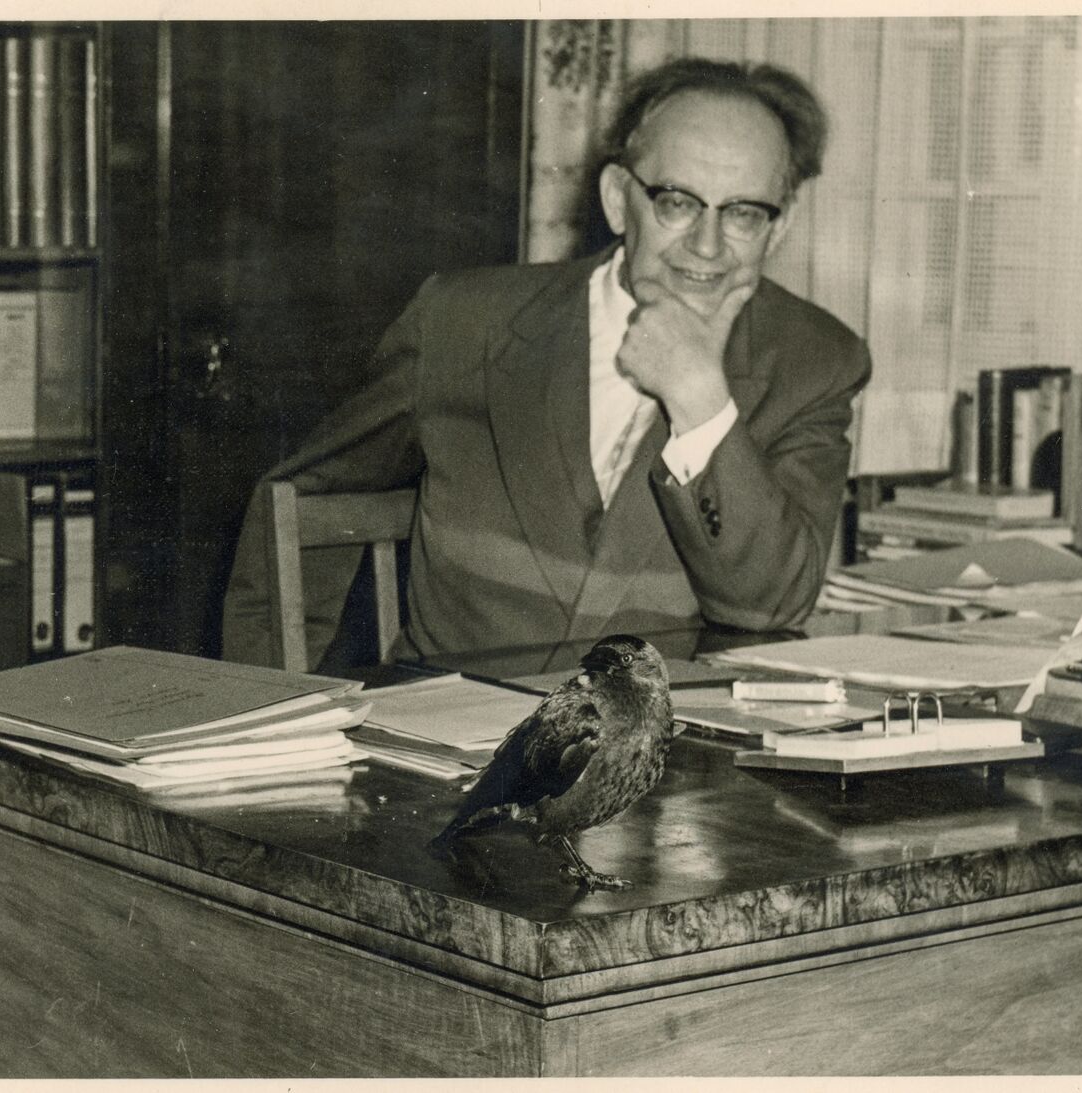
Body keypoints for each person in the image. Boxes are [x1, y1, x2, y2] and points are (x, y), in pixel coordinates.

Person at [221, 58, 872, 669]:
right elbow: (304, 502)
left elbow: (768, 607)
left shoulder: (814, 363)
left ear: (779, 228)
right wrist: (269, 709)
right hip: (447, 728)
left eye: (744, 214)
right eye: (676, 201)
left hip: (663, 740)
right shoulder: (463, 322)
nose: (707, 245)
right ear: (617, 198)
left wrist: (701, 399)